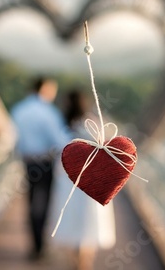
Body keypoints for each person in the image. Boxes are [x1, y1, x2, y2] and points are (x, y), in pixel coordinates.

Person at [49, 90, 116, 270]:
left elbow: (56, 152)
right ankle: (85, 263)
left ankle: (76, 263)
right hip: (91, 182)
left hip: (67, 181)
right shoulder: (93, 124)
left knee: (71, 221)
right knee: (89, 223)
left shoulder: (62, 126)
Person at [11, 76, 71, 260]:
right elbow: (60, 141)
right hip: (45, 162)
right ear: (45, 89)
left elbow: (12, 136)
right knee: (43, 203)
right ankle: (40, 246)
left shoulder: (19, 109)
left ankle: (35, 244)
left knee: (31, 202)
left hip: (28, 162)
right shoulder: (49, 112)